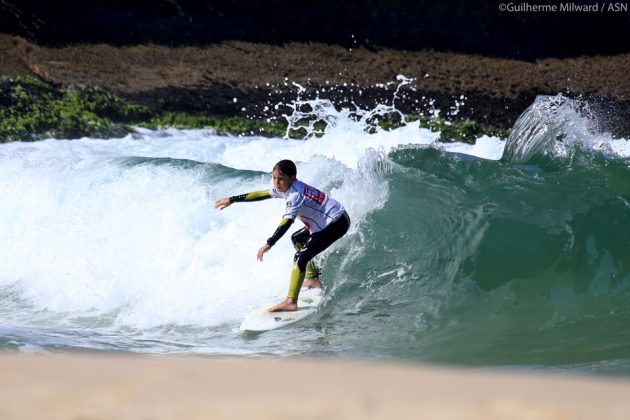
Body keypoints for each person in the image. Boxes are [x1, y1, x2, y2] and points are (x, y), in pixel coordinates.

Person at [214, 159, 350, 312]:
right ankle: (313, 279)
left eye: (281, 179)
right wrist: (232, 200)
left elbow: (286, 222)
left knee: (300, 257)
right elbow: (262, 194)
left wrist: (269, 243)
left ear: (292, 178)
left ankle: (291, 302)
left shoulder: (295, 195)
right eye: (274, 178)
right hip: (331, 218)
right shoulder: (287, 187)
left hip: (336, 223)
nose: (276, 183)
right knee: (298, 239)